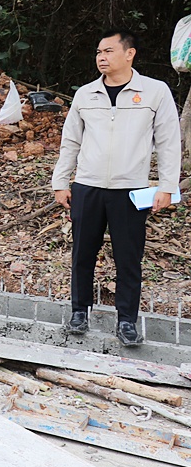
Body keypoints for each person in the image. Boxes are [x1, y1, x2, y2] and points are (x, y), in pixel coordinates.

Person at [52, 30, 182, 346]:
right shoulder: (86, 94)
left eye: (109, 51)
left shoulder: (155, 92)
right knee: (83, 253)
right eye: (99, 52)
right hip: (87, 187)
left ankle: (126, 321)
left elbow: (168, 142)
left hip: (131, 190)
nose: (102, 57)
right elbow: (71, 141)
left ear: (129, 54)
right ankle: (79, 312)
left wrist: (167, 186)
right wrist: (60, 181)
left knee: (128, 257)